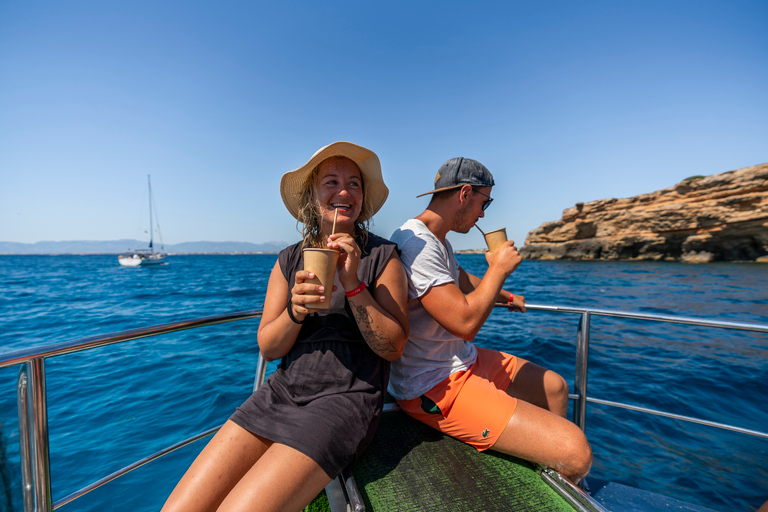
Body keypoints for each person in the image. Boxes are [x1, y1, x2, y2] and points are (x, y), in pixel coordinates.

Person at [162, 142, 409, 512]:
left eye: (354, 184)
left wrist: (354, 284)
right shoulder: (288, 260)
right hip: (281, 392)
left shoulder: (382, 257)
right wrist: (294, 311)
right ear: (311, 195)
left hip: (345, 399)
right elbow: (269, 347)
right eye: (331, 182)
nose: (344, 192)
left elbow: (393, 348)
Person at [388, 157, 592, 483]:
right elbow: (466, 324)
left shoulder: (437, 239)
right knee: (576, 452)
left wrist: (507, 297)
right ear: (465, 193)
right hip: (433, 385)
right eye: (485, 202)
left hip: (460, 361)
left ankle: (548, 467)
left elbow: (461, 279)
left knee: (555, 387)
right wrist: (498, 269)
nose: (483, 214)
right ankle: (556, 465)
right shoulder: (418, 245)